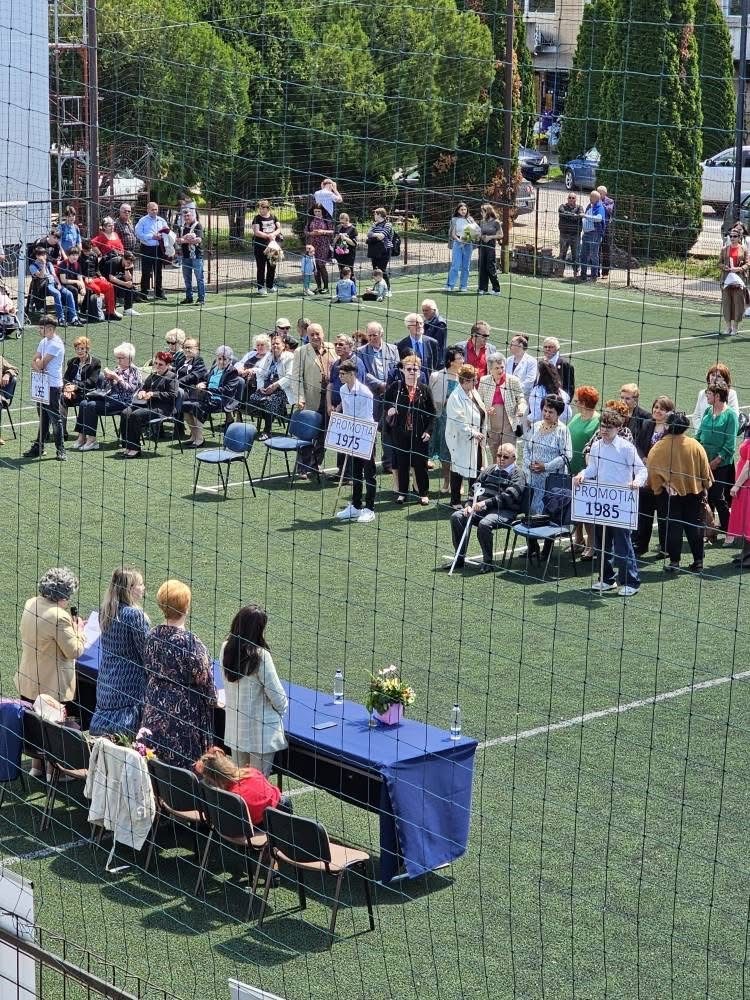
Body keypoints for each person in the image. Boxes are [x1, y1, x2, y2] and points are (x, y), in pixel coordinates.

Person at [16, 568, 86, 774]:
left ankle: (36, 767)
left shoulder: (31, 603)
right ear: (63, 595)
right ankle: (54, 772)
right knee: (54, 730)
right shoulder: (59, 616)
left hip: (29, 678)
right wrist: (79, 631)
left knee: (35, 726)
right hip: (52, 685)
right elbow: (74, 651)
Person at [142, 580, 216, 767]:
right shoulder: (190, 643)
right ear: (186, 607)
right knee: (185, 773)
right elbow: (205, 680)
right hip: (184, 719)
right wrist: (214, 699)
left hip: (154, 711)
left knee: (155, 768)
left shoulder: (151, 635)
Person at [574, 406, 646, 597]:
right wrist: (583, 474)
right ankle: (607, 579)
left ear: (618, 428)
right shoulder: (596, 446)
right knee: (601, 543)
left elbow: (641, 470)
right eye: (603, 426)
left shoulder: (626, 448)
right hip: (601, 502)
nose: (604, 430)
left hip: (621, 503)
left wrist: (636, 482)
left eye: (609, 427)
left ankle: (631, 582)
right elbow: (593, 469)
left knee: (623, 544)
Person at [220, 604, 288, 775]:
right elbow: (278, 698)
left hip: (237, 731)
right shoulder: (261, 656)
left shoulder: (226, 649)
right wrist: (281, 710)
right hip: (261, 734)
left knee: (239, 782)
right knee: (258, 784)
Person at [647, 411, 713, 574]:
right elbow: (705, 471)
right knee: (694, 526)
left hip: (668, 495)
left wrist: (660, 486)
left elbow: (652, 472)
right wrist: (704, 487)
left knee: (673, 528)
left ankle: (674, 562)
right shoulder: (695, 445)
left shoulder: (658, 447)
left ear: (667, 426)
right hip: (694, 492)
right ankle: (698, 561)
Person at [89, 568, 149, 738]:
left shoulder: (106, 611)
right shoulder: (135, 615)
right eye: (140, 584)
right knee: (124, 739)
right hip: (129, 687)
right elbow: (147, 653)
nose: (143, 588)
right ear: (130, 589)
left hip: (106, 680)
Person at [450, 442, 526, 572]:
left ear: (514, 458)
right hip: (482, 509)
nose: (501, 459)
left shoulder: (518, 474)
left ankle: (488, 562)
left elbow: (508, 497)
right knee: (457, 516)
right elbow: (474, 489)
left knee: (484, 524)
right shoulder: (489, 470)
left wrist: (485, 503)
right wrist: (469, 505)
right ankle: (459, 558)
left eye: (505, 457)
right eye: (499, 455)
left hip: (505, 511)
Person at [384, 355, 436, 505]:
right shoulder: (396, 387)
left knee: (420, 464)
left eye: (415, 369)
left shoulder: (424, 389)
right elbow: (385, 401)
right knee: (402, 463)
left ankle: (423, 493)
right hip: (400, 433)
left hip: (419, 435)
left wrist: (428, 431)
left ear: (419, 371)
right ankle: (402, 493)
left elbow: (432, 412)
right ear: (403, 370)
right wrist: (390, 409)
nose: (412, 372)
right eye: (409, 369)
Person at [194, 748, 289, 828]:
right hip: (280, 806)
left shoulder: (231, 798)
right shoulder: (251, 772)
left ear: (214, 780)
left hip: (264, 822)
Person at [73, 342, 142, 451]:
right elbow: (107, 388)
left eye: (121, 358)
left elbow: (130, 389)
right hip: (110, 399)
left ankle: (92, 440)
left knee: (91, 405)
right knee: (83, 403)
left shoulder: (134, 371)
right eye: (117, 358)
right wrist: (108, 378)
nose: (118, 360)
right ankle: (81, 436)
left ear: (130, 358)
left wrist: (117, 378)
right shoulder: (117, 369)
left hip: (125, 402)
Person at [358, 321, 400, 488]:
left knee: (389, 429)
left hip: (390, 396)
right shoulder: (361, 352)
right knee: (370, 430)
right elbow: (364, 373)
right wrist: (380, 385)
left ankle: (388, 462)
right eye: (369, 335)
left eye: (374, 335)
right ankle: (369, 462)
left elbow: (397, 369)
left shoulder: (393, 349)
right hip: (372, 396)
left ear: (381, 334)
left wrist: (390, 386)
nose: (372, 338)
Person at [335, 359, 378, 522]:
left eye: (343, 374)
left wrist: (356, 429)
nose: (340, 376)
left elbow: (366, 416)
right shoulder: (343, 389)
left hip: (365, 434)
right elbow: (346, 412)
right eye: (339, 373)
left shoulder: (365, 392)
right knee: (355, 472)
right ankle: (356, 506)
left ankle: (370, 508)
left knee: (369, 473)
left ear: (352, 374)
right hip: (352, 434)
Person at [290, 323, 336, 476]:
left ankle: (315, 465)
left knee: (325, 434)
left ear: (323, 333)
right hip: (310, 399)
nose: (315, 337)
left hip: (329, 400)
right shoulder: (301, 352)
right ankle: (302, 467)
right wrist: (299, 398)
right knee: (307, 435)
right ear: (307, 336)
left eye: (318, 334)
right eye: (312, 335)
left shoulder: (332, 347)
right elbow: (296, 378)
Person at [695, 377, 738, 536]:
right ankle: (709, 528)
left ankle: (727, 527)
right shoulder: (708, 411)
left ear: (717, 396)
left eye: (709, 394)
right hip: (704, 461)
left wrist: (716, 460)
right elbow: (699, 434)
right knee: (703, 495)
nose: (706, 396)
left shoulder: (730, 415)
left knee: (716, 495)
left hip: (721, 465)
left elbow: (730, 444)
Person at [633, 395, 674, 556]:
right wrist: (643, 458)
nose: (657, 411)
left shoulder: (672, 429)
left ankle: (665, 548)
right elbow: (637, 445)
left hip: (663, 480)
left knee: (664, 515)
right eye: (656, 407)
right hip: (646, 478)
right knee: (644, 514)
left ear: (669, 412)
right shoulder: (647, 424)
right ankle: (642, 545)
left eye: (662, 409)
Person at [118, 351, 178, 458]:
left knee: (135, 415)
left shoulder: (171, 376)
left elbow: (173, 395)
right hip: (147, 405)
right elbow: (144, 387)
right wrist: (141, 392)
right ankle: (127, 445)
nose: (157, 366)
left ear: (168, 365)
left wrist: (153, 394)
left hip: (162, 408)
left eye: (160, 364)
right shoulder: (153, 375)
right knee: (125, 412)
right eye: (156, 363)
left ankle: (135, 448)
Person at [23, 318, 67, 461]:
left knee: (55, 419)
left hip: (53, 386)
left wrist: (38, 364)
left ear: (50, 329)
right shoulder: (43, 342)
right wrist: (38, 364)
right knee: (43, 417)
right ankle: (39, 447)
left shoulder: (55, 344)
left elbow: (40, 364)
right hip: (41, 384)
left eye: (41, 328)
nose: (39, 330)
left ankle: (61, 450)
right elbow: (34, 362)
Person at [181, 345, 241, 448]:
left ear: (229, 360)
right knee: (185, 405)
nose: (221, 361)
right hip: (207, 397)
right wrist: (203, 383)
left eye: (224, 359)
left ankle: (200, 439)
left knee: (196, 406)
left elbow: (227, 390)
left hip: (221, 400)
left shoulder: (232, 371)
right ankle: (194, 436)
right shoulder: (214, 368)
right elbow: (206, 380)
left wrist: (207, 389)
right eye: (219, 358)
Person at [445, 363, 486, 509]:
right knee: (458, 468)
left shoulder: (472, 392)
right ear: (466, 381)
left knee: (477, 468)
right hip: (461, 439)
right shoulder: (455, 397)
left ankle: (473, 498)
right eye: (474, 380)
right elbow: (458, 421)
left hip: (477, 440)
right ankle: (455, 501)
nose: (476, 382)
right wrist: (473, 433)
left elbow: (479, 409)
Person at [568, 386, 600, 559]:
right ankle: (578, 539)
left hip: (587, 472)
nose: (575, 403)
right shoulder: (576, 417)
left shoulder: (597, 421)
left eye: (577, 400)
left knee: (587, 511)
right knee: (575, 508)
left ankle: (591, 544)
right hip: (571, 469)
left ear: (585, 402)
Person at [429, 346, 465, 494]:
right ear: (450, 361)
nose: (462, 360)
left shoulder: (464, 376)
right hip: (442, 419)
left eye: (462, 357)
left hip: (459, 420)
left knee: (458, 452)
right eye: (459, 358)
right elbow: (431, 398)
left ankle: (459, 483)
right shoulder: (437, 376)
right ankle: (446, 481)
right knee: (445, 452)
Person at [245, 334, 294, 439]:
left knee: (269, 401)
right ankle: (274, 415)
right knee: (252, 399)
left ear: (283, 345)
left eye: (277, 343)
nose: (275, 346)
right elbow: (260, 372)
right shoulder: (269, 356)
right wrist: (260, 387)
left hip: (283, 389)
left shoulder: (289, 357)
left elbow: (290, 376)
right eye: (273, 344)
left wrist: (275, 385)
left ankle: (267, 430)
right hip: (268, 388)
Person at [477, 353, 526, 457]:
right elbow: (479, 402)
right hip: (491, 425)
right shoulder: (484, 380)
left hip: (508, 425)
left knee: (508, 454)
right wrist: (486, 409)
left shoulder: (513, 380)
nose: (500, 370)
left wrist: (521, 408)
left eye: (502, 367)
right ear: (490, 369)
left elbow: (521, 398)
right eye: (497, 368)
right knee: (495, 455)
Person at [29, 249, 82, 327]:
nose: (44, 257)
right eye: (41, 255)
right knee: (57, 294)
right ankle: (61, 318)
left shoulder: (49, 263)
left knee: (69, 294)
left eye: (44, 254)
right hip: (44, 286)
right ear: (37, 256)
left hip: (54, 283)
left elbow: (54, 275)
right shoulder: (33, 266)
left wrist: (59, 284)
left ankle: (74, 318)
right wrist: (43, 264)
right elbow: (41, 276)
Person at [61, 336, 101, 437]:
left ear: (87, 349)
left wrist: (76, 387)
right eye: (77, 349)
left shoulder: (95, 363)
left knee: (84, 403)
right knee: (60, 397)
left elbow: (92, 382)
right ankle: (62, 431)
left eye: (82, 348)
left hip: (86, 393)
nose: (79, 351)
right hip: (71, 392)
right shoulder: (72, 362)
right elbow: (66, 378)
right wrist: (68, 388)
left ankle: (82, 434)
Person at [134, 202, 170, 300]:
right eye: (152, 209)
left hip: (159, 249)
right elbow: (138, 233)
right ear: (148, 210)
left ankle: (159, 293)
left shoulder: (161, 220)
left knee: (158, 271)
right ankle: (143, 294)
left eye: (156, 209)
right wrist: (151, 236)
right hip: (147, 248)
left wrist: (163, 236)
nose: (154, 211)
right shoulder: (142, 221)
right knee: (146, 271)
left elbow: (167, 232)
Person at [690, 363, 740, 430]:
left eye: (719, 376)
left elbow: (735, 416)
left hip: (722, 433)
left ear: (725, 380)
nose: (715, 378)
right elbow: (696, 416)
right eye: (713, 375)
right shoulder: (702, 393)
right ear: (709, 376)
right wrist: (702, 431)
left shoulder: (731, 394)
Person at [728, 425, 750, 567]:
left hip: (746, 485)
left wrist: (737, 485)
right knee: (745, 519)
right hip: (744, 485)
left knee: (748, 520)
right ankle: (745, 552)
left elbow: (749, 467)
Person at [444, 202, 478, 293]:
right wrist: (459, 240)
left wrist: (467, 239)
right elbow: (453, 234)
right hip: (458, 243)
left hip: (468, 244)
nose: (463, 211)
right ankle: (450, 285)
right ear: (458, 211)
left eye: (465, 209)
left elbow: (475, 231)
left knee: (466, 266)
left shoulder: (470, 219)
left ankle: (463, 286)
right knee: (455, 265)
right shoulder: (454, 220)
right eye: (461, 209)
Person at [526, 359, 571, 429]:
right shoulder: (562, 392)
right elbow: (568, 414)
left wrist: (528, 420)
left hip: (541, 429)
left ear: (540, 374)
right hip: (558, 428)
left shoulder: (537, 391)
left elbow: (536, 416)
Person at [251, 199, 282, 296]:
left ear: (268, 208)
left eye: (263, 208)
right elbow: (256, 232)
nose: (261, 210)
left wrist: (273, 234)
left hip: (273, 246)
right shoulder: (257, 218)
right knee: (261, 267)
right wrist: (268, 236)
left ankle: (270, 285)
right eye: (260, 208)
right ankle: (260, 287)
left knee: (272, 266)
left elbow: (279, 228)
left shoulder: (273, 217)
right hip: (260, 246)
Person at [176, 206, 205, 305]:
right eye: (185, 216)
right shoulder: (182, 227)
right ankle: (189, 297)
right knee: (187, 278)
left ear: (193, 215)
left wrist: (184, 240)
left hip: (196, 256)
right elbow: (178, 240)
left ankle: (201, 298)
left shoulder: (198, 225)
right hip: (185, 256)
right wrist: (186, 239)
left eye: (188, 215)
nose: (186, 218)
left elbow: (198, 240)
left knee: (199, 278)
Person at [618, 383, 654, 459]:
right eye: (621, 398)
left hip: (636, 456)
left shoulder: (646, 417)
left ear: (635, 401)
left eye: (627, 399)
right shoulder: (614, 413)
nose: (623, 401)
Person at [305, 205, 334, 295]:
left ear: (322, 212)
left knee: (321, 265)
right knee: (315, 266)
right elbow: (305, 231)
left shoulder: (326, 220)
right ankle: (318, 287)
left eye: (319, 211)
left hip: (323, 245)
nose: (317, 213)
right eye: (315, 211)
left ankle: (326, 287)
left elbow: (332, 231)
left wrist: (323, 231)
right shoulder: (310, 220)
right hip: (313, 245)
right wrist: (311, 233)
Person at [579, 189, 606, 281]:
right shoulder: (590, 206)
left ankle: (594, 276)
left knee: (594, 255)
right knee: (583, 254)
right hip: (586, 233)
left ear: (597, 198)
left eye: (592, 197)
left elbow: (599, 218)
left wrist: (585, 216)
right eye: (590, 196)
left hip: (595, 234)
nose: (590, 198)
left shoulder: (600, 207)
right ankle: (583, 274)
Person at [366, 208, 393, 293]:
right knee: (375, 270)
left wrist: (374, 234)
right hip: (374, 250)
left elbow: (382, 236)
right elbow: (368, 234)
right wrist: (376, 235)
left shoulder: (388, 224)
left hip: (385, 250)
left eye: (375, 214)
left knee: (382, 270)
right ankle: (377, 288)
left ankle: (388, 289)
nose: (374, 216)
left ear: (379, 215)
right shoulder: (374, 224)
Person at [477, 203, 502, 296]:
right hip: (482, 246)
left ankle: (496, 289)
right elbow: (480, 233)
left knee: (490, 267)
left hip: (490, 247)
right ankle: (482, 288)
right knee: (482, 267)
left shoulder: (496, 222)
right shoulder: (482, 222)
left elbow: (501, 235)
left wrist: (490, 237)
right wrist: (479, 236)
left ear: (487, 212)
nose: (481, 213)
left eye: (482, 212)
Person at [107, 250, 142, 316]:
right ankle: (112, 310)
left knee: (130, 285)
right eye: (128, 262)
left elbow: (128, 279)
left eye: (130, 263)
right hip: (105, 279)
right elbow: (111, 278)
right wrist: (124, 283)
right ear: (123, 258)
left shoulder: (130, 265)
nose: (129, 264)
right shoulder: (115, 262)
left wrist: (126, 269)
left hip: (116, 279)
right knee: (113, 286)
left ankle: (128, 309)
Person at [558, 193, 583, 278]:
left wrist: (568, 215)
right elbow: (562, 213)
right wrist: (574, 216)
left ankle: (575, 273)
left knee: (576, 255)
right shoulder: (562, 206)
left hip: (575, 235)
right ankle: (560, 272)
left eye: (573, 198)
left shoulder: (579, 208)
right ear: (567, 198)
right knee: (562, 254)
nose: (571, 199)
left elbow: (580, 215)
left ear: (576, 199)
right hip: (564, 235)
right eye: (570, 197)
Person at [596, 185, 615, 277]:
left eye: (600, 193)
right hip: (597, 228)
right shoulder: (594, 200)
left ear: (604, 193)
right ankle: (595, 272)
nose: (598, 194)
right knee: (596, 250)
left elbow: (609, 210)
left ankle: (605, 272)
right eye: (597, 192)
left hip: (606, 228)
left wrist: (600, 203)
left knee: (606, 250)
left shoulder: (610, 201)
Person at [332, 212, 357, 277]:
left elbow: (354, 244)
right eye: (341, 222)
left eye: (344, 223)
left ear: (347, 220)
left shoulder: (353, 229)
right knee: (341, 271)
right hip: (339, 253)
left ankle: (351, 283)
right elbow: (333, 242)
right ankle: (342, 282)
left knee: (349, 271)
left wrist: (345, 238)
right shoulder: (338, 227)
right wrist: (336, 238)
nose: (342, 224)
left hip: (349, 254)